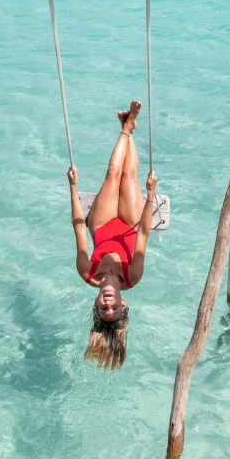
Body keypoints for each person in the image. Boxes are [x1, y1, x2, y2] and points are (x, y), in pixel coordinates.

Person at [68, 100, 158, 370]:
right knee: (129, 175)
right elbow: (143, 232)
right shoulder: (133, 276)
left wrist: (73, 188)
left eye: (103, 309)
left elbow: (78, 226)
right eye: (114, 309)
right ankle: (127, 127)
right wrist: (150, 194)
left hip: (103, 222)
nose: (109, 306)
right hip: (131, 223)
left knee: (113, 173)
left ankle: (127, 128)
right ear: (123, 303)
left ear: (96, 304)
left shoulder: (86, 271)